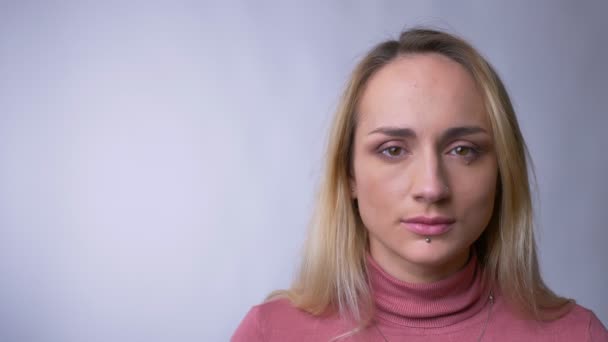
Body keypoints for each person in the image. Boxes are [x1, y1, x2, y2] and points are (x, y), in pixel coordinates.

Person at [232, 27, 608, 341]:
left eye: (462, 150)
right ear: (349, 176)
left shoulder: (577, 334)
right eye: (393, 149)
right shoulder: (272, 333)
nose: (431, 187)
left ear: (501, 172)